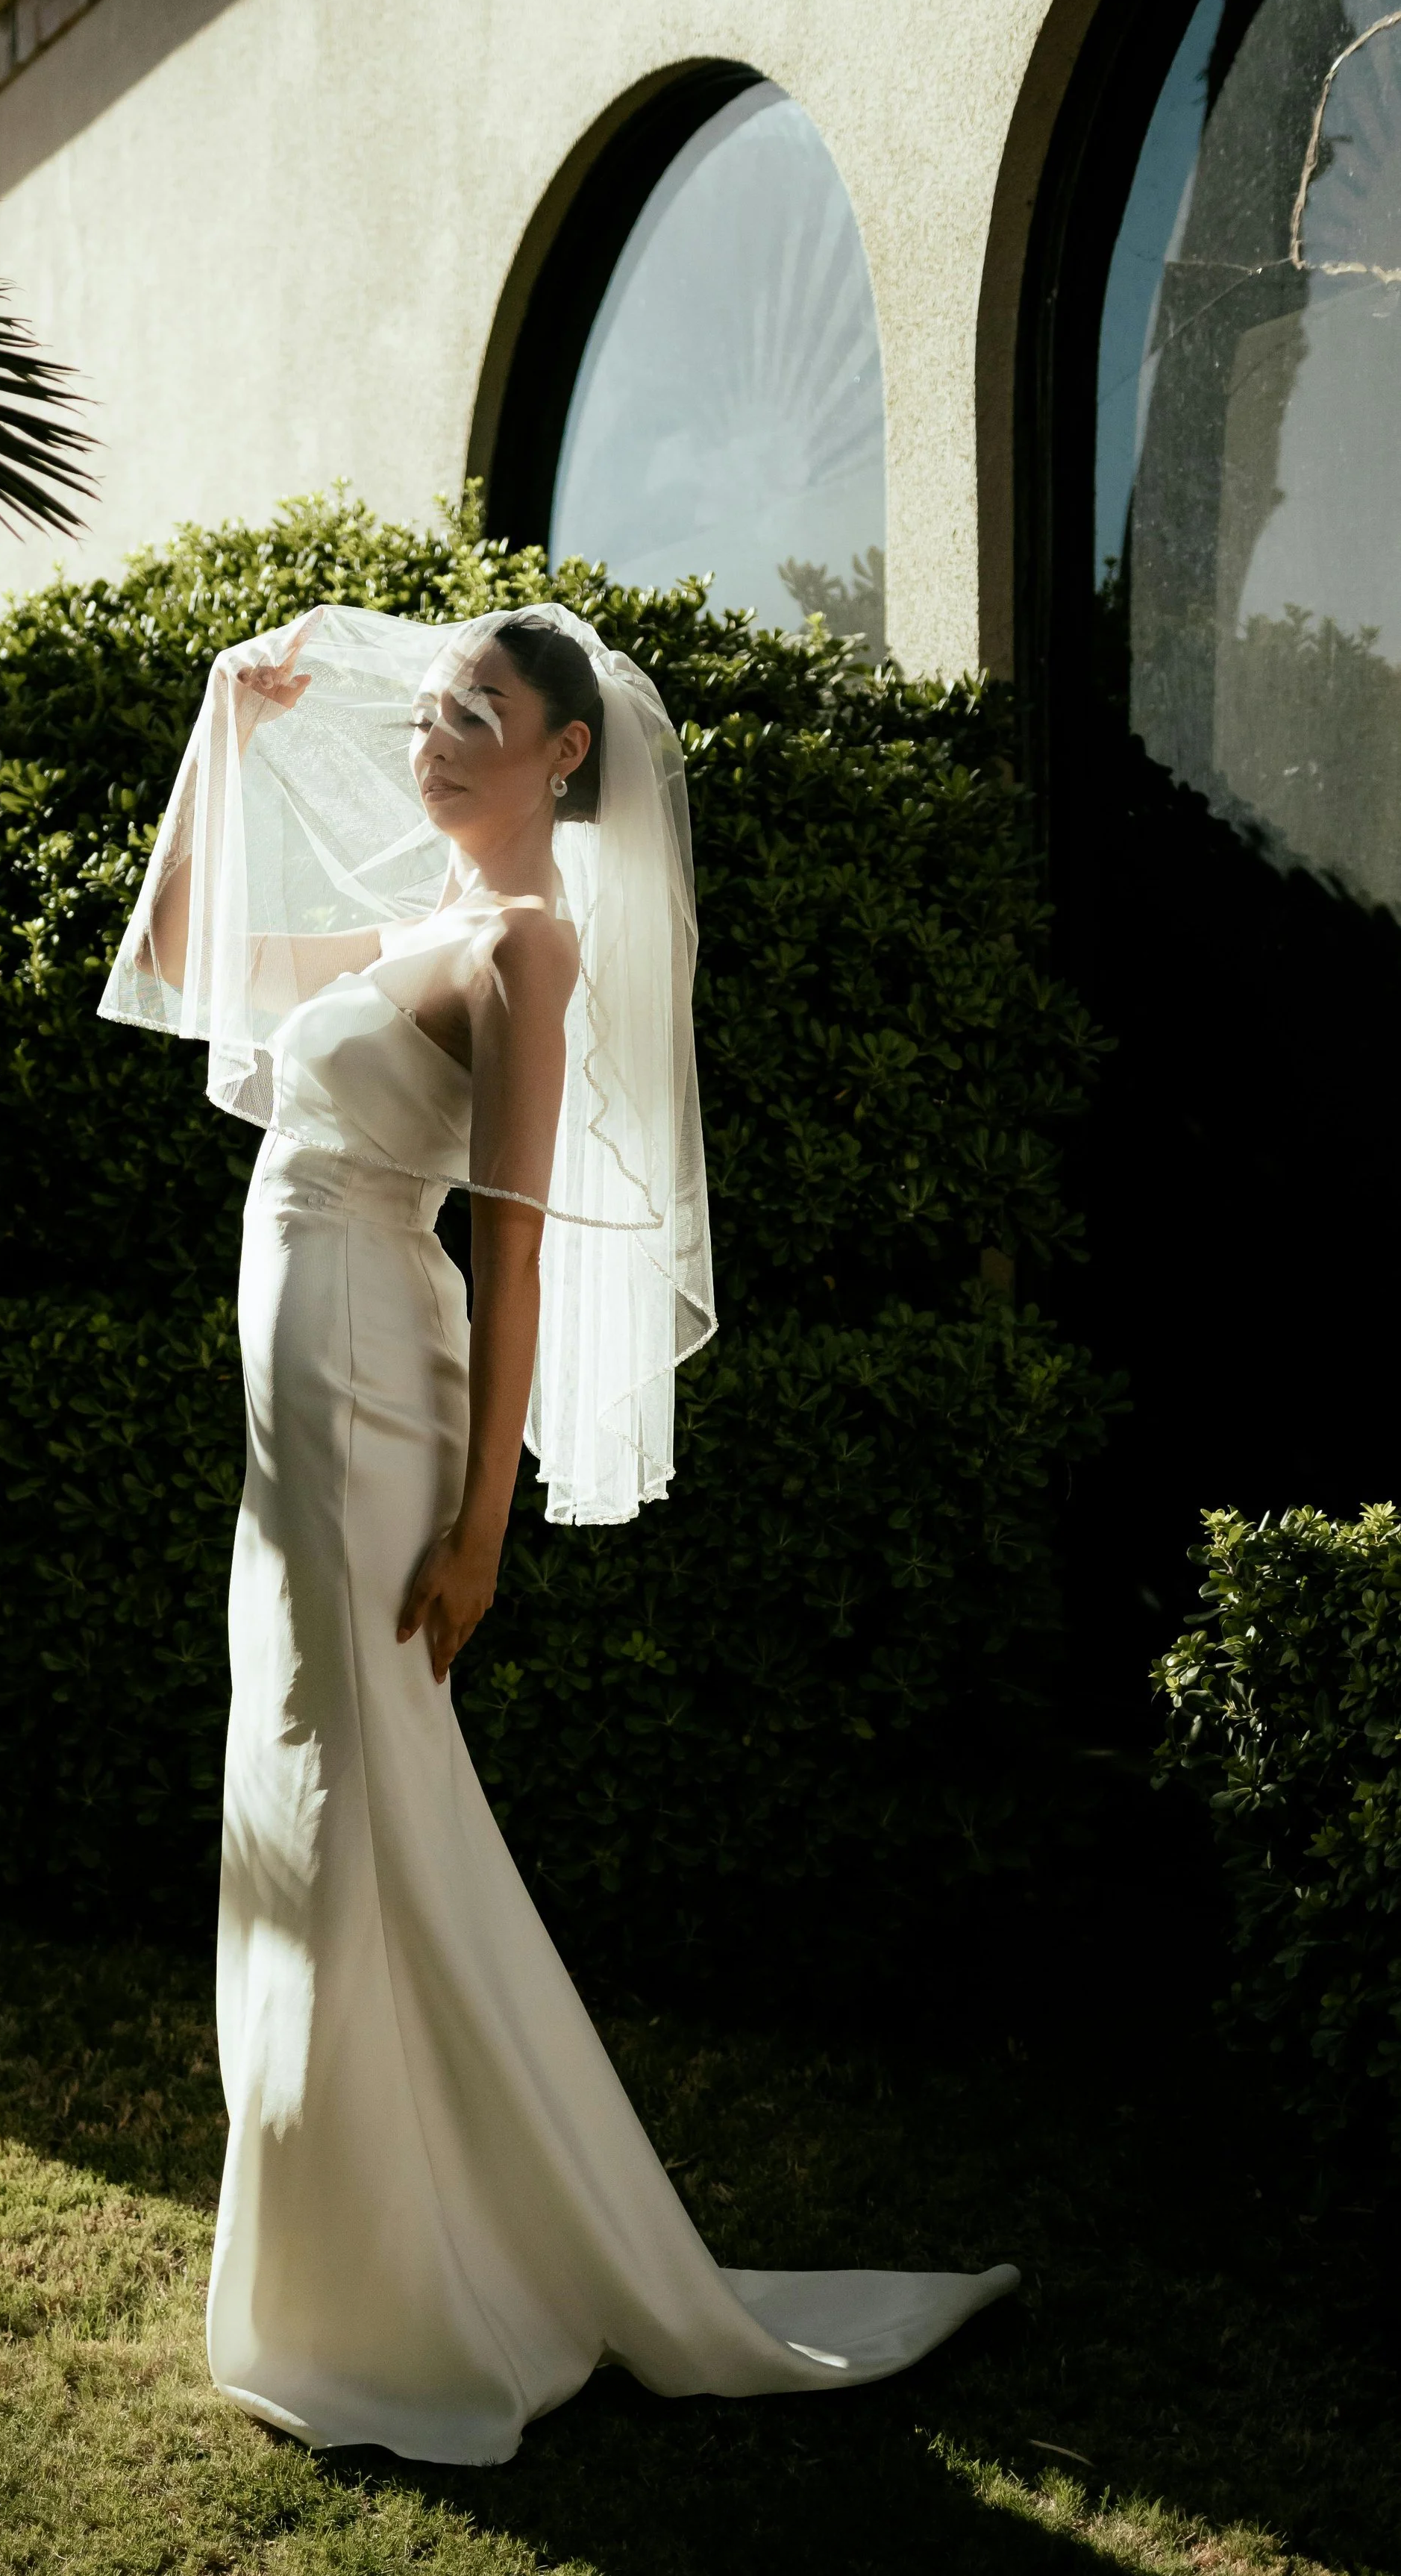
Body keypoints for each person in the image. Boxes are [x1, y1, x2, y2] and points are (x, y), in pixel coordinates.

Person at [99, 601, 1015, 2466]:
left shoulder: (526, 942)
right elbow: (185, 955)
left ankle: (409, 2282)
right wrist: (228, 730)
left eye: (478, 713)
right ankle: (370, 2237)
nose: (434, 737)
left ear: (563, 754)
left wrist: (479, 1528)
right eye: (430, 708)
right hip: (301, 1412)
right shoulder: (419, 925)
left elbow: (509, 1239)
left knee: (351, 1787)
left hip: (373, 1399)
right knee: (312, 1788)